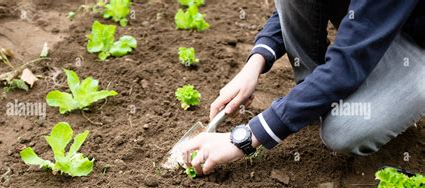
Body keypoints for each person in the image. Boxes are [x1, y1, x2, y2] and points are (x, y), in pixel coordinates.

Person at [182, 0, 425, 176]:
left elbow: (348, 63)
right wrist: (255, 63)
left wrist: (245, 138)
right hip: (371, 21)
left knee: (343, 132)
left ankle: (318, 96)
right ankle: (314, 96)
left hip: (417, 46)